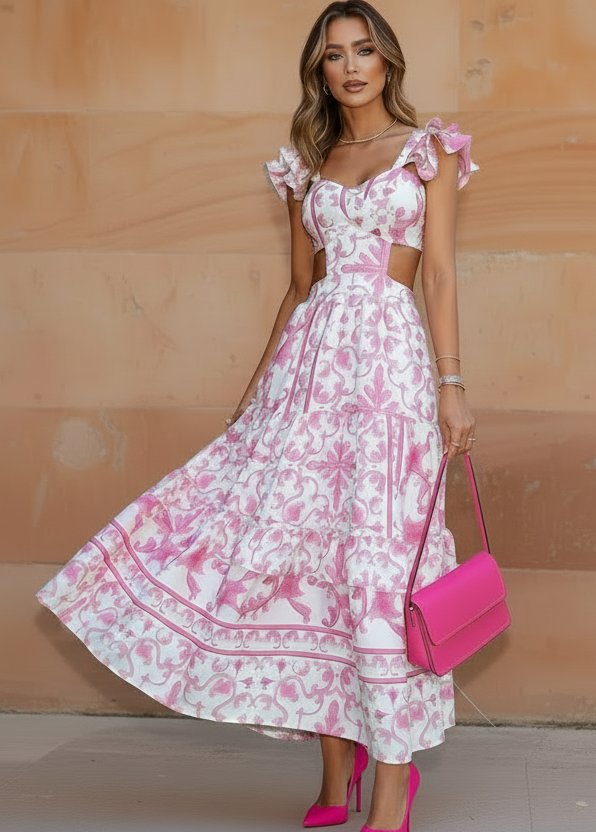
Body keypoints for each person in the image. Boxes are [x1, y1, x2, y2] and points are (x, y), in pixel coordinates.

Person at [36, 2, 479, 830]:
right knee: (304, 560)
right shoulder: (308, 165)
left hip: (386, 377)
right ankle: (332, 773)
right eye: (334, 54)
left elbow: (440, 278)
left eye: (365, 51)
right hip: (305, 380)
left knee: (378, 569)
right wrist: (253, 396)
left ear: (389, 61)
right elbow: (300, 287)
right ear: (319, 70)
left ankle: (390, 786)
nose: (351, 66)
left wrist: (451, 383)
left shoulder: (427, 154)